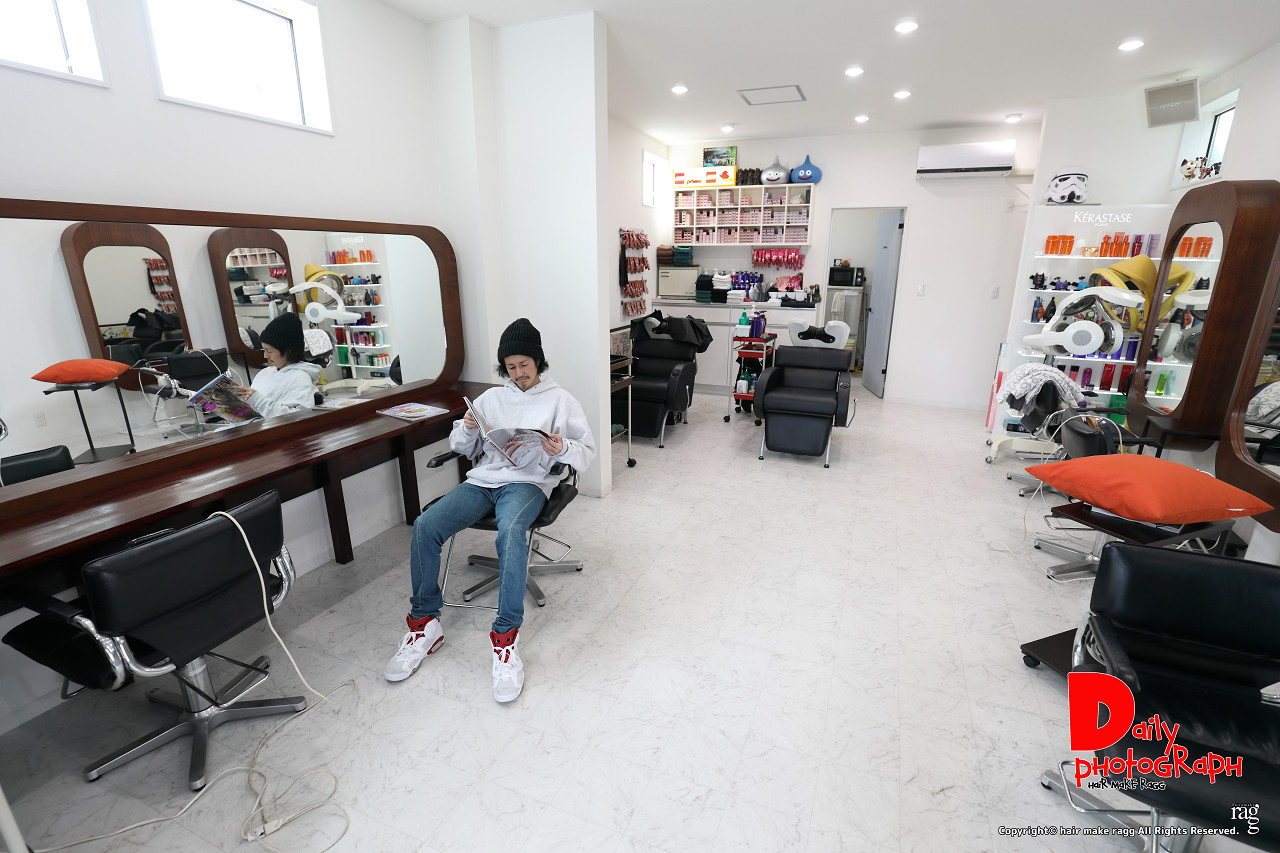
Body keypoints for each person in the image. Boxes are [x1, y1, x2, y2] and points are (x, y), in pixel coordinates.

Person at [384, 318, 595, 702]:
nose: (518, 374)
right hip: (483, 481)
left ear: (538, 361)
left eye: (524, 365)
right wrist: (467, 427)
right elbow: (462, 447)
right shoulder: (491, 399)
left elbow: (586, 454)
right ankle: (425, 624)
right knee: (426, 525)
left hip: (528, 484)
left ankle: (505, 640)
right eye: (510, 367)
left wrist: (561, 447)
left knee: (510, 532)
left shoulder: (561, 401)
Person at [229, 312, 320, 418]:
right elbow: (254, 409)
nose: (265, 355)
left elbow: (298, 416)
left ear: (288, 351)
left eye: (269, 351)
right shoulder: (264, 373)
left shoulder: (299, 378)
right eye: (264, 350)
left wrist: (257, 400)